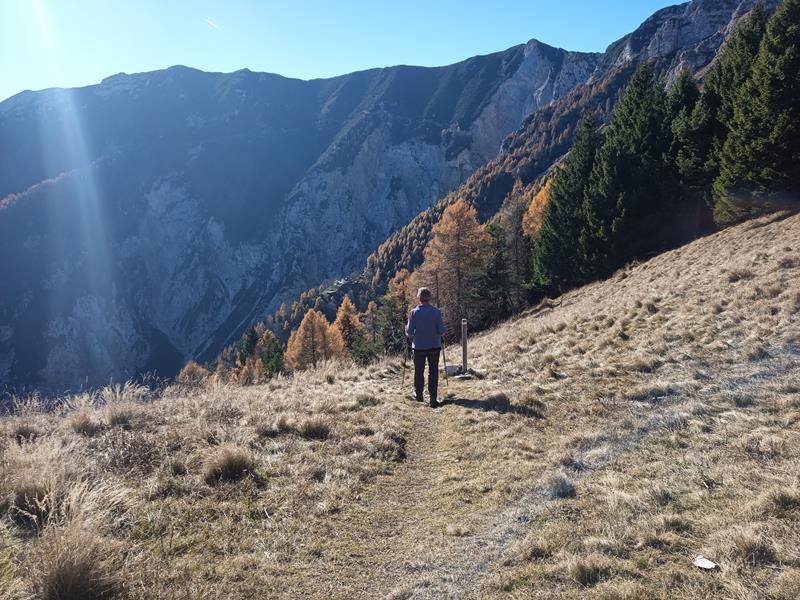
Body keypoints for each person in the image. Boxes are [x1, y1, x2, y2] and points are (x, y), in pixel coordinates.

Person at [405, 287, 445, 408]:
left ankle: (419, 395)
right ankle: (433, 399)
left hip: (419, 347)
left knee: (418, 371)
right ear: (429, 298)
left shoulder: (413, 313)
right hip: (434, 346)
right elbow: (442, 331)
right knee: (433, 372)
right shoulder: (436, 312)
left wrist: (406, 330)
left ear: (419, 297)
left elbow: (409, 332)